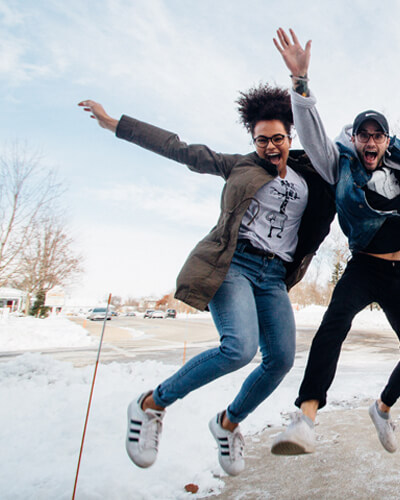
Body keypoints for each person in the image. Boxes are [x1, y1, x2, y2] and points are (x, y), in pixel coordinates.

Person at [78, 85, 335, 475]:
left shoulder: (309, 175)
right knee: (239, 348)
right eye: (261, 140)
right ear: (253, 141)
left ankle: (227, 424)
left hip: (273, 277)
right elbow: (179, 149)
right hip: (232, 265)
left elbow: (341, 164)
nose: (270, 147)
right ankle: (151, 404)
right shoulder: (239, 165)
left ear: (290, 137)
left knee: (280, 360)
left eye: (277, 138)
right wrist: (117, 125)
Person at [269, 28, 400, 454]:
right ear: (355, 140)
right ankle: (305, 418)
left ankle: (382, 408)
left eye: (377, 135)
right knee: (331, 329)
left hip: (397, 270)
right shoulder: (339, 165)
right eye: (363, 135)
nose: (370, 142)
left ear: (386, 140)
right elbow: (311, 135)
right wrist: (301, 85)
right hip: (363, 266)